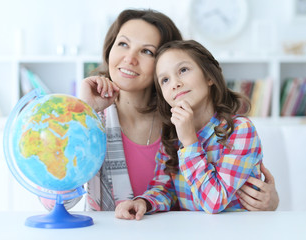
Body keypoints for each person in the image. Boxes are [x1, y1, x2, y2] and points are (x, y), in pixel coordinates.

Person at [40, 9, 279, 212]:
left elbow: (221, 194)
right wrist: (83, 113)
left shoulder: (179, 122)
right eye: (123, 44)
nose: (130, 58)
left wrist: (270, 204)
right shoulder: (93, 117)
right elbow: (56, 204)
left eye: (147, 51)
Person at [115, 39, 264, 220]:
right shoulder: (172, 136)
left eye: (183, 70)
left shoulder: (240, 130)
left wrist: (190, 142)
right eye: (165, 80)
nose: (175, 83)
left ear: (209, 76)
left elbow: (214, 201)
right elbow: (167, 189)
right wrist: (143, 203)